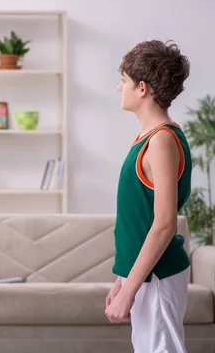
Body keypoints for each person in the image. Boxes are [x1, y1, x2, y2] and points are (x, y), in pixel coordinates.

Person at [105, 40, 192, 352]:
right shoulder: (148, 137)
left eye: (124, 81)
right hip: (145, 275)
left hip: (157, 275)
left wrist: (131, 290)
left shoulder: (162, 140)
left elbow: (164, 224)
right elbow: (137, 218)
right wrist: (124, 279)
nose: (119, 88)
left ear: (142, 88)